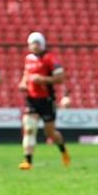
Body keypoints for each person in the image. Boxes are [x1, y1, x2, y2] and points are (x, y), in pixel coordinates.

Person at [17, 32, 71, 170]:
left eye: (36, 43)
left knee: (50, 133)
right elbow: (26, 74)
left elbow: (60, 78)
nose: (34, 46)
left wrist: (43, 79)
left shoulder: (50, 59)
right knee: (29, 128)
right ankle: (27, 161)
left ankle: (63, 151)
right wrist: (23, 83)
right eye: (32, 43)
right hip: (32, 99)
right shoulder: (28, 58)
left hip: (47, 100)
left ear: (42, 44)